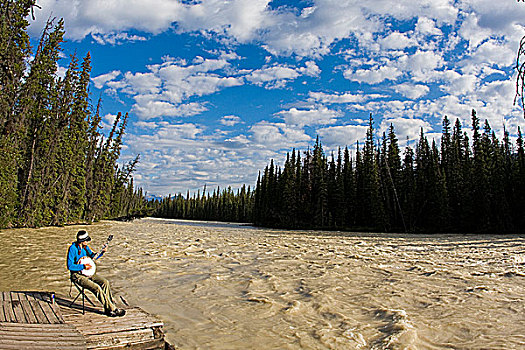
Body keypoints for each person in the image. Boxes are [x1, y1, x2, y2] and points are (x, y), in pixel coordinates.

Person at [67, 230, 125, 317]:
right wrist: (83, 267)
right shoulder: (72, 249)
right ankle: (113, 309)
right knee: (97, 288)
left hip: (88, 273)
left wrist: (102, 252)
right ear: (82, 241)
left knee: (105, 282)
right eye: (86, 240)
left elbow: (93, 257)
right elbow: (70, 266)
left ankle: (108, 309)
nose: (87, 242)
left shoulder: (85, 247)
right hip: (77, 275)